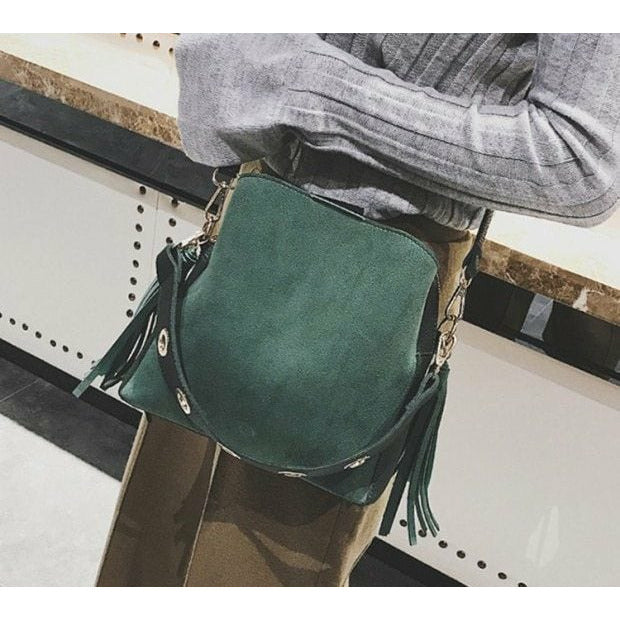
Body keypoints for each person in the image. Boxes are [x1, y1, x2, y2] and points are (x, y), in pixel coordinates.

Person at [96, 33, 619, 587]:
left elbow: (577, 164)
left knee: (263, 563)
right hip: (255, 217)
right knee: (153, 535)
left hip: (381, 273)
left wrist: (320, 91)